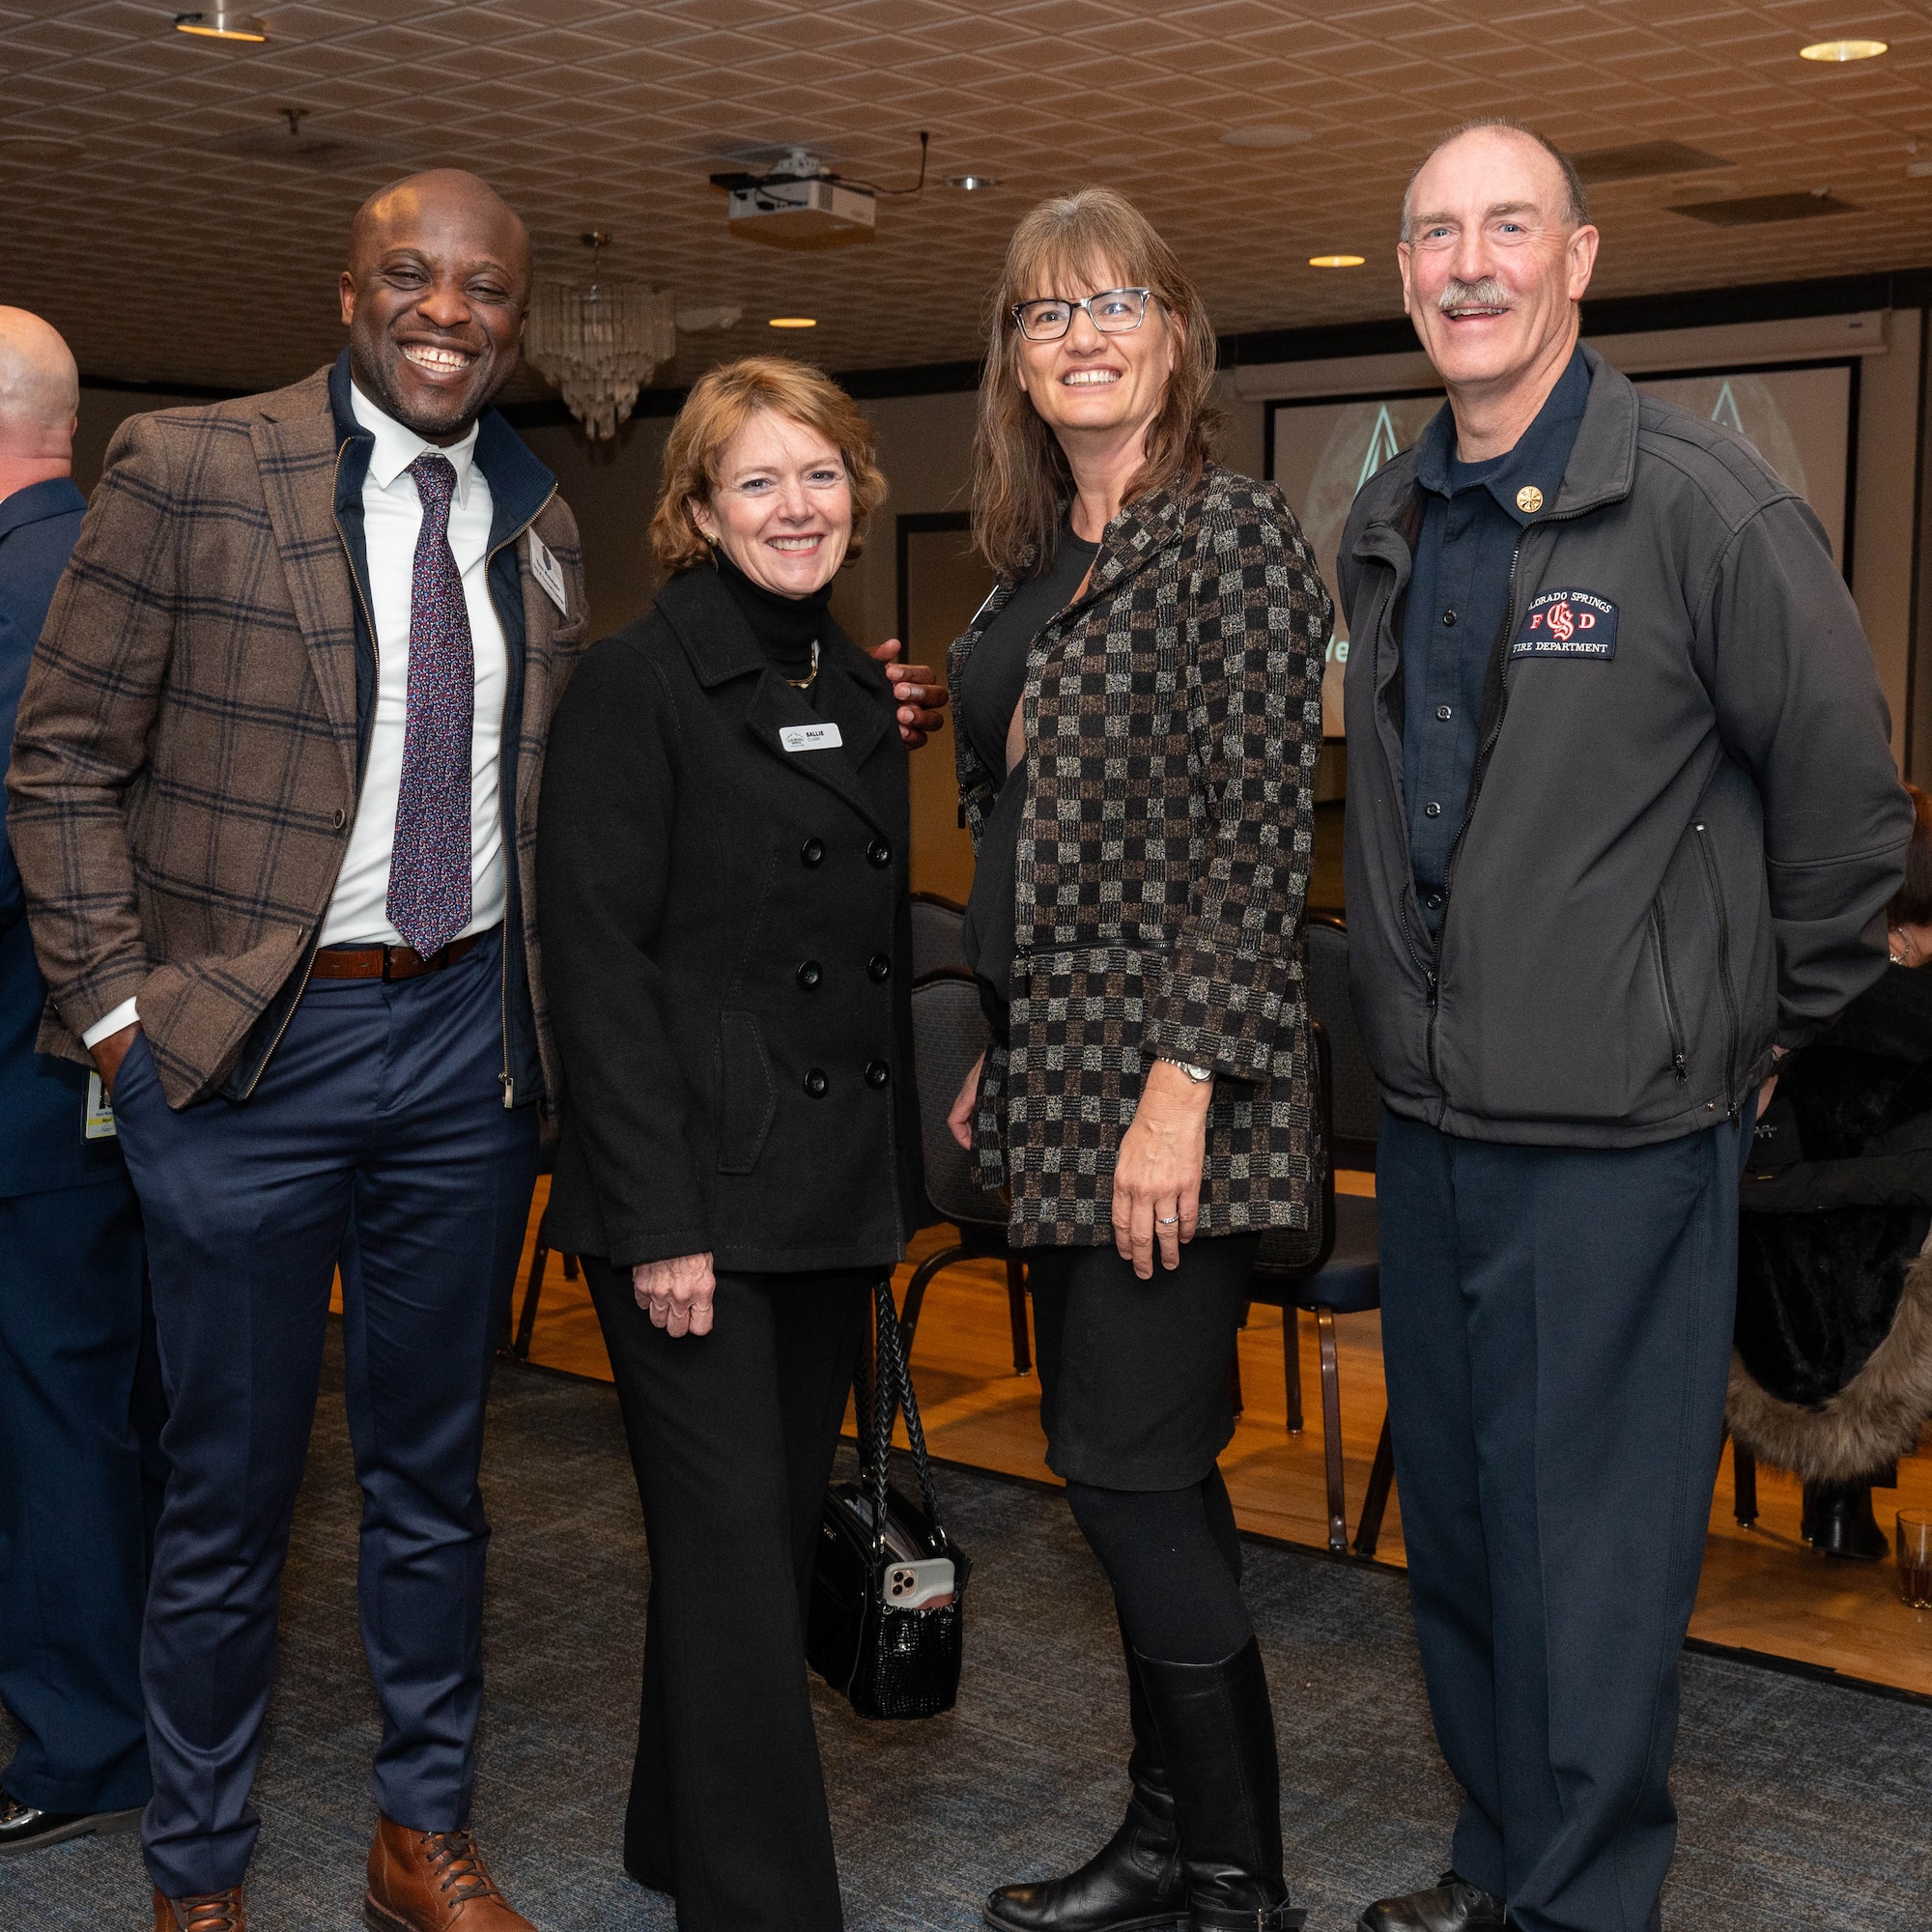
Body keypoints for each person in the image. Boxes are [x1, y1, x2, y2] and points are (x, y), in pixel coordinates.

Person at [1336, 120, 1912, 1932]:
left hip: (1621, 1147)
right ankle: (1503, 1859)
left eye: (1510, 228)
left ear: (1580, 261)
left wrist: (1739, 1036)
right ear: (1405, 271)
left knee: (1593, 1563)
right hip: (1427, 1130)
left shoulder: (1702, 507)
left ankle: (1585, 1905)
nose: (1470, 264)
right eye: (1437, 234)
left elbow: (1850, 816)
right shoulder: (1388, 512)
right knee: (1470, 1536)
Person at [9, 170, 587, 1932]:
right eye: (411, 277)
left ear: (516, 317)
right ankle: (199, 1878)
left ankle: (422, 1840)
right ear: (348, 290)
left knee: (432, 1483)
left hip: (461, 1051)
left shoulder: (537, 510)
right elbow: (59, 760)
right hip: (246, 1059)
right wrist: (120, 1026)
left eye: (482, 289)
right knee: (226, 1495)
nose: (446, 311)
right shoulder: (193, 465)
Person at [950, 190, 1330, 1932]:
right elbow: (1020, 826)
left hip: (1179, 1098)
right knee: (1131, 1476)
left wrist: (1178, 1093)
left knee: (1125, 1469)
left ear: (1177, 330)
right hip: (1061, 1083)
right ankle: (1172, 1842)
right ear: (1016, 365)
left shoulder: (1230, 538)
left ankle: (1236, 1881)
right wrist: (1007, 1049)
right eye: (1045, 314)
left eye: (1113, 303)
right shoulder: (1038, 570)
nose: (1082, 335)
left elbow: (1257, 849)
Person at [536, 355, 923, 1932]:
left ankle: (670, 1832)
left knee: (751, 1546)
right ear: (697, 510)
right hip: (691, 1205)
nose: (795, 507)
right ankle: (763, 1905)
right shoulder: (635, 688)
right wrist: (657, 1217)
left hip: (827, 1195)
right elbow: (598, 966)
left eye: (819, 474)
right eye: (756, 481)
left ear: (857, 491)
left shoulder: (855, 686)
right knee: (726, 1566)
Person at [0, 307, 166, 1859]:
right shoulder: (117, 568)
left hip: (32, 1079)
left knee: (53, 1414)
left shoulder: (18, 590)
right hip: (130, 1076)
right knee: (123, 1404)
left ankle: (81, 1737)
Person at [1731, 781, 1932, 1559]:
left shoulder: (1772, 986)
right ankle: (1843, 1510)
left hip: (1746, 1317)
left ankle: (1839, 1509)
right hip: (1882, 1345)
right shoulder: (1915, 1016)